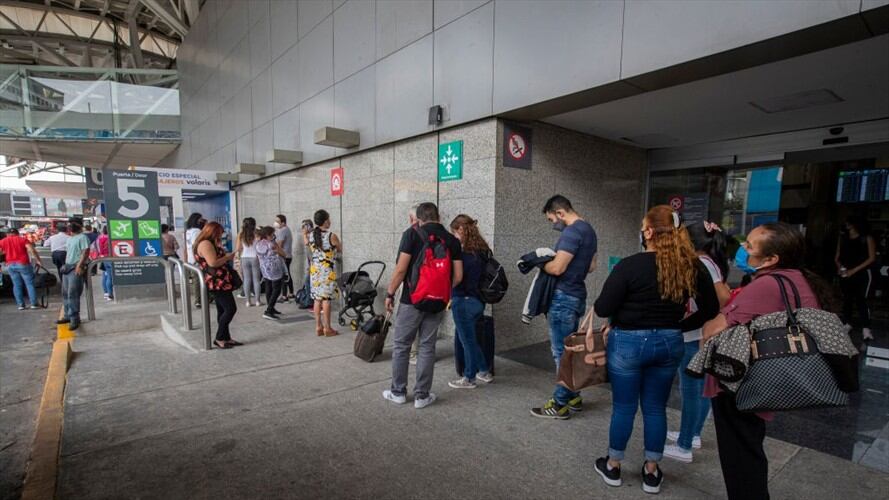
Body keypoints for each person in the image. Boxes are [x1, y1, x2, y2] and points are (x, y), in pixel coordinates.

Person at [702, 222, 837, 500]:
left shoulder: (766, 286)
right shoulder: (799, 279)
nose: (742, 249)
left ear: (771, 259)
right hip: (771, 379)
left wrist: (712, 323)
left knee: (740, 458)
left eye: (749, 246)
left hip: (739, 383)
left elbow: (714, 329)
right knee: (750, 449)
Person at [592, 206, 719, 494]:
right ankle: (652, 470)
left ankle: (612, 465)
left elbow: (603, 308)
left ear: (649, 232)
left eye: (642, 227)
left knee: (624, 407)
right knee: (654, 408)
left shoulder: (629, 265)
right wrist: (679, 326)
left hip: (627, 343)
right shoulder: (691, 265)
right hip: (669, 342)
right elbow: (711, 309)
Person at [382, 202, 463, 409]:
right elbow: (458, 276)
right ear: (438, 216)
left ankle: (398, 392)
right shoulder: (452, 240)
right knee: (427, 346)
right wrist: (441, 290)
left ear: (419, 218)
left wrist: (390, 293)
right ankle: (422, 396)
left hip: (412, 300)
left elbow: (401, 270)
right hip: (437, 302)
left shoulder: (412, 234)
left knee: (401, 346)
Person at [663, 221, 731, 464]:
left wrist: (707, 325)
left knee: (691, 391)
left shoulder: (701, 263)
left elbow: (723, 298)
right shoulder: (711, 262)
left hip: (694, 336)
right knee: (700, 390)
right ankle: (691, 435)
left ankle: (683, 446)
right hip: (699, 334)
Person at [530, 195, 598, 419]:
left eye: (552, 220)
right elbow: (591, 267)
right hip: (577, 295)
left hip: (563, 298)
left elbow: (558, 268)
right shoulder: (589, 230)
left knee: (562, 353)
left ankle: (559, 403)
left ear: (560, 213)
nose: (554, 224)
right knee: (570, 350)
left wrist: (539, 262)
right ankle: (574, 396)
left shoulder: (571, 232)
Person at [447, 214, 494, 389]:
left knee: (467, 341)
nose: (454, 237)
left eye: (454, 232)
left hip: (463, 301)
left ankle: (469, 378)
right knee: (469, 338)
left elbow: (457, 278)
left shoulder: (462, 253)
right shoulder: (483, 250)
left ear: (461, 229)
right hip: (478, 301)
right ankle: (484, 371)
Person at [194, 222, 241, 349]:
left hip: (221, 280)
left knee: (222, 309)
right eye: (220, 232)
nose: (221, 234)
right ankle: (220, 337)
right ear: (213, 232)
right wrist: (228, 257)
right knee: (230, 309)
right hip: (216, 282)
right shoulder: (206, 244)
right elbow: (213, 263)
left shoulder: (210, 242)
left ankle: (226, 337)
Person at [836, 216, 876, 341]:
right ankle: (848, 323)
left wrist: (854, 270)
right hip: (845, 273)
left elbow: (871, 258)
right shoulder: (843, 238)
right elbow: (837, 257)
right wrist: (840, 267)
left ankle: (866, 328)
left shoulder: (866, 238)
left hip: (861, 273)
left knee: (861, 300)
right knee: (847, 299)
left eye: (850, 222)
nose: (847, 224)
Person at [306, 210, 342, 336]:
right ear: (325, 221)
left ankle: (318, 327)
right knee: (326, 300)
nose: (330, 221)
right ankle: (328, 328)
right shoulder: (331, 235)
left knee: (317, 299)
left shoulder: (310, 235)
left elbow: (309, 246)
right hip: (326, 270)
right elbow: (339, 248)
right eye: (329, 219)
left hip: (315, 270)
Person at [0, 227, 44, 310]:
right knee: (29, 284)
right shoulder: (22, 240)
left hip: (10, 265)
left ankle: (21, 305)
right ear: (17, 233)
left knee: (16, 285)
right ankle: (34, 304)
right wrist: (38, 260)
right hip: (23, 264)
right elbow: (31, 250)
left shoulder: (2, 241)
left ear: (8, 234)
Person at [60, 220, 91, 330]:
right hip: (68, 267)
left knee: (72, 293)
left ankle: (74, 318)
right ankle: (67, 315)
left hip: (75, 267)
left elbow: (85, 252)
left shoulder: (82, 238)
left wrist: (79, 265)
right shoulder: (70, 239)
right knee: (65, 293)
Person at [256, 226, 287, 320]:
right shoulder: (271, 244)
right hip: (274, 269)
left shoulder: (259, 244)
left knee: (268, 287)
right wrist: (278, 249)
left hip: (264, 269)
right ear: (267, 235)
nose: (274, 235)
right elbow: (283, 253)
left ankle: (271, 308)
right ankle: (269, 310)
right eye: (272, 234)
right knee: (277, 289)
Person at [236, 217, 262, 307]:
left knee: (246, 280)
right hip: (255, 257)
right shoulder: (257, 233)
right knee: (256, 280)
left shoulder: (241, 234)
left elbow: (238, 248)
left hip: (244, 257)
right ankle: (258, 301)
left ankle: (248, 302)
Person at [184, 213, 206, 308]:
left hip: (190, 259)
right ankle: (199, 300)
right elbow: (195, 246)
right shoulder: (197, 231)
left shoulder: (188, 231)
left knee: (196, 280)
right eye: (200, 219)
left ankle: (200, 299)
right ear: (197, 220)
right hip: (196, 259)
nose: (202, 221)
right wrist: (197, 258)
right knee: (198, 280)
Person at [274, 214, 295, 302]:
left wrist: (274, 247)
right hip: (288, 255)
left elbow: (279, 244)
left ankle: (284, 296)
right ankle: (291, 293)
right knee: (287, 274)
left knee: (284, 276)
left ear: (283, 222)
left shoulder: (283, 230)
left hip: (284, 256)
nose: (275, 223)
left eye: (277, 221)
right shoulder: (287, 229)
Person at [98, 226, 113, 301]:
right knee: (110, 277)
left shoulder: (100, 237)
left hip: (103, 257)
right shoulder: (110, 238)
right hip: (110, 258)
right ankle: (110, 294)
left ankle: (106, 293)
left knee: (105, 275)